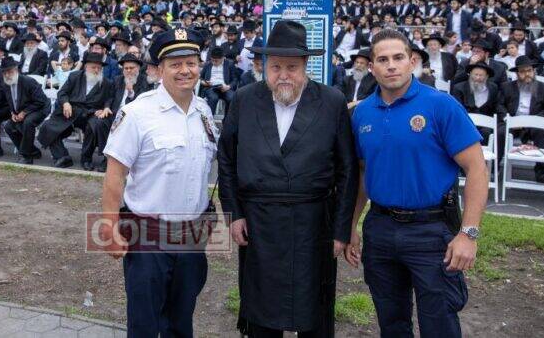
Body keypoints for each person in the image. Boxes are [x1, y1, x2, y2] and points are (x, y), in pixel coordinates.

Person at [217, 20, 358, 337]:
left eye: (291, 67)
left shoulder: (332, 101)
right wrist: (234, 214)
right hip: (258, 224)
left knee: (314, 311)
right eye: (276, 66)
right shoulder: (244, 99)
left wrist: (341, 230)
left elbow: (347, 170)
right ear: (265, 65)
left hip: (314, 225)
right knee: (261, 314)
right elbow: (226, 160)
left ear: (306, 65)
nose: (283, 75)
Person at [345, 28, 488, 338]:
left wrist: (469, 234)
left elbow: (477, 169)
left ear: (412, 62)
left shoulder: (441, 105)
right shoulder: (362, 113)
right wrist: (352, 225)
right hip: (380, 229)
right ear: (372, 67)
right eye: (383, 60)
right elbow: (362, 174)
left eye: (398, 57)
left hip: (431, 231)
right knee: (391, 323)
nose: (391, 66)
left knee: (439, 324)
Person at [100, 27, 215, 338]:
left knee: (181, 320)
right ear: (159, 69)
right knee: (145, 323)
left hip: (191, 237)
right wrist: (110, 227)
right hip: (148, 237)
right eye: (175, 64)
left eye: (191, 63)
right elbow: (115, 174)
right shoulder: (138, 113)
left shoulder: (204, 112)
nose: (185, 70)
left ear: (199, 67)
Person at [38, 51, 114, 168]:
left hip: (91, 113)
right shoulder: (75, 76)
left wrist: (106, 107)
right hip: (71, 111)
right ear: (86, 67)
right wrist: (66, 103)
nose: (96, 70)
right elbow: (62, 93)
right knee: (47, 126)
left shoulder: (106, 83)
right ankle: (62, 156)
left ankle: (86, 159)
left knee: (93, 126)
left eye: (99, 68)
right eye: (93, 67)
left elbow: (109, 98)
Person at [85, 53, 151, 172]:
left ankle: (116, 160)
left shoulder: (144, 81)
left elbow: (143, 102)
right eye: (126, 68)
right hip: (115, 114)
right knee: (98, 122)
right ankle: (107, 157)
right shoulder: (118, 80)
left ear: (138, 68)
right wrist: (106, 107)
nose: (128, 71)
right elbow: (110, 97)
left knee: (120, 127)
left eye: (131, 68)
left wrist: (131, 92)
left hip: (133, 117)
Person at [497, 55, 544, 182]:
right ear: (517, 73)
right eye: (522, 71)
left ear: (534, 71)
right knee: (500, 132)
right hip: (513, 123)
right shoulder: (507, 87)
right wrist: (508, 119)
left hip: (535, 124)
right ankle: (494, 168)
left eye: (529, 70)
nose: (527, 74)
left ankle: (540, 171)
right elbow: (499, 105)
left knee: (541, 132)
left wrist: (534, 120)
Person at [0, 57, 52, 163]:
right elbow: (10, 101)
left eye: (9, 71)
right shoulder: (6, 83)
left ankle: (27, 156)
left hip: (40, 108)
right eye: (4, 72)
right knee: (8, 126)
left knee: (28, 122)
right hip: (22, 110)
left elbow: (41, 101)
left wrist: (24, 113)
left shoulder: (28, 81)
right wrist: (13, 113)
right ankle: (33, 151)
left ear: (16, 70)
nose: (7, 75)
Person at [199, 46, 238, 114]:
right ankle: (209, 118)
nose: (214, 62)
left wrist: (228, 87)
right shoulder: (208, 64)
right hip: (211, 87)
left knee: (231, 98)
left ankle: (227, 119)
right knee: (213, 98)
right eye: (212, 60)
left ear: (223, 58)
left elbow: (235, 79)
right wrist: (204, 83)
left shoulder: (229, 64)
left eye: (216, 61)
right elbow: (200, 78)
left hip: (225, 87)